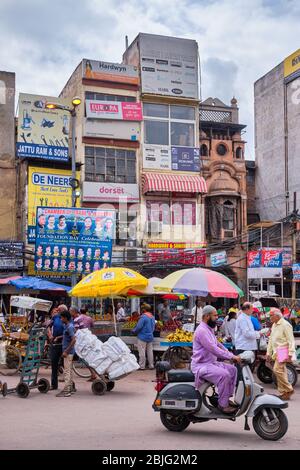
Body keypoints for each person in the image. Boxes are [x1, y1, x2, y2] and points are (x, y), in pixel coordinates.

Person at [191, 305, 241, 414]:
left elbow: (217, 344)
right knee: (224, 375)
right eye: (215, 315)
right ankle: (223, 405)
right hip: (201, 365)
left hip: (211, 363)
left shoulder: (209, 329)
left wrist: (230, 354)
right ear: (207, 316)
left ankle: (225, 398)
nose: (217, 317)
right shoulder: (202, 331)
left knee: (233, 370)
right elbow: (213, 349)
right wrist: (231, 357)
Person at [266, 308, 296, 400]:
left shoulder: (286, 325)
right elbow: (271, 340)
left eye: (271, 316)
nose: (270, 318)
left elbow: (291, 340)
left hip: (284, 350)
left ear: (277, 316)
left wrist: (291, 353)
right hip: (277, 351)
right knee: (281, 371)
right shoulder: (274, 325)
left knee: (277, 369)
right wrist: (268, 352)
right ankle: (284, 392)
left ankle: (288, 389)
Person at [56, 310, 76, 397]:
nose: (60, 319)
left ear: (65, 318)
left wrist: (66, 351)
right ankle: (70, 388)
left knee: (67, 371)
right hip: (68, 352)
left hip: (68, 352)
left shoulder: (69, 327)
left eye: (61, 317)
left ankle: (67, 390)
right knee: (69, 371)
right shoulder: (67, 326)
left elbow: (73, 340)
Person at [47, 304, 67, 391]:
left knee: (67, 366)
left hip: (65, 344)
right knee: (54, 364)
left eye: (59, 310)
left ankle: (69, 385)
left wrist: (59, 337)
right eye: (57, 310)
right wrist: (50, 334)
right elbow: (48, 326)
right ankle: (54, 385)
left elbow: (69, 332)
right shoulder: (55, 317)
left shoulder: (68, 318)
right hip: (54, 343)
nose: (58, 312)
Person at [132, 304, 155, 370]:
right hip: (150, 336)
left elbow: (138, 327)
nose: (141, 310)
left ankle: (142, 366)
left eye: (142, 309)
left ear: (144, 309)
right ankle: (151, 365)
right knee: (150, 351)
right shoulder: (152, 317)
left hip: (142, 337)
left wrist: (133, 331)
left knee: (142, 352)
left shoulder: (143, 317)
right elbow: (153, 327)